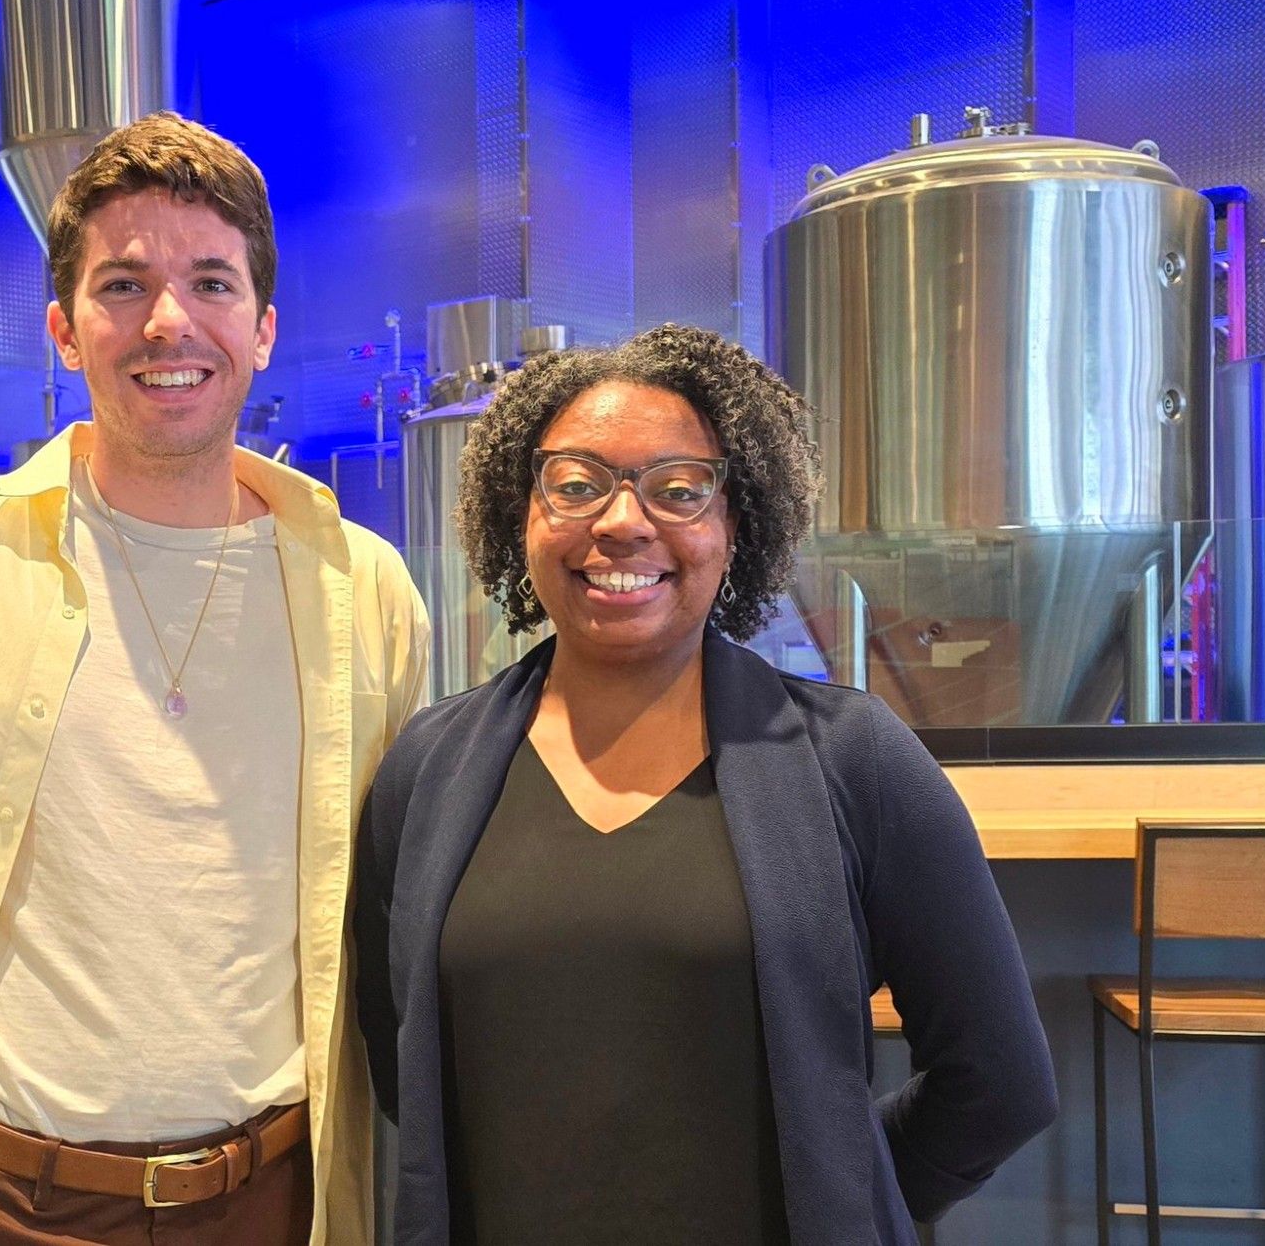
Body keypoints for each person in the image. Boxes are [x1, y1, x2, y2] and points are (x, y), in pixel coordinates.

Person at [0, 113, 429, 1246]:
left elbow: (384, 906)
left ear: (262, 328)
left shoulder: (363, 588)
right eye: (120, 284)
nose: (167, 320)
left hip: (270, 1200)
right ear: (63, 332)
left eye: (211, 283)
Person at [354, 324, 1056, 1245]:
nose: (622, 522)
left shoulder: (855, 758)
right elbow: (400, 1063)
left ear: (737, 525)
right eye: (576, 483)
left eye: (678, 490)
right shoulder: (426, 772)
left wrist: (845, 1181)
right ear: (519, 514)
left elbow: (998, 1077)